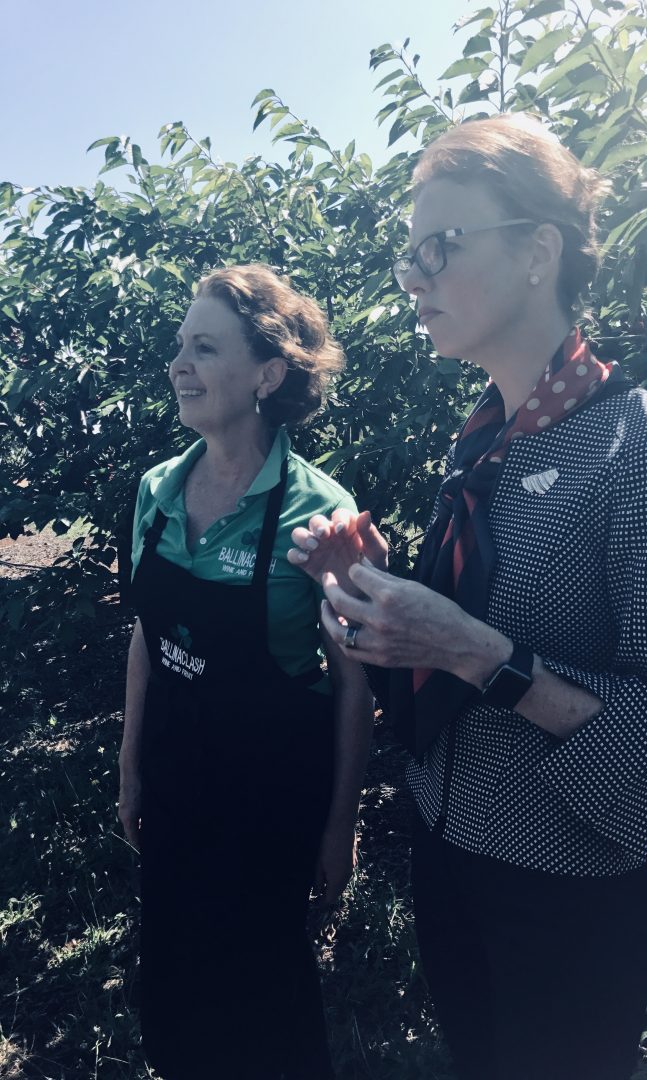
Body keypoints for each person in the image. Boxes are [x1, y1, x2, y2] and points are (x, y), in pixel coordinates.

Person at [288, 114, 647, 1080]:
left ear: (538, 251)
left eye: (439, 248)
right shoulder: (485, 442)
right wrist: (367, 593)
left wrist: (470, 650)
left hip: (562, 901)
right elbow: (455, 637)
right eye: (409, 252)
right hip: (448, 854)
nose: (412, 277)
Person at [117, 263, 373, 1080]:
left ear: (267, 374)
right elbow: (147, 637)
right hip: (175, 778)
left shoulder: (320, 512)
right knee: (176, 986)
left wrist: (341, 825)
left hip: (269, 802)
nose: (177, 364)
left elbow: (354, 683)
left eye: (203, 347)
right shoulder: (158, 491)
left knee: (264, 1003)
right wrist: (130, 768)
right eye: (177, 346)